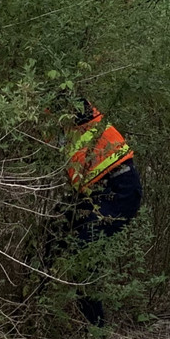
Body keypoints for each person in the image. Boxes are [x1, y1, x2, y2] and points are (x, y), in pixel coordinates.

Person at [64, 100, 143, 325]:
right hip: (96, 192)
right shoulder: (58, 124)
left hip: (118, 189)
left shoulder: (71, 101)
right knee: (51, 242)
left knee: (83, 254)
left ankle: (94, 333)